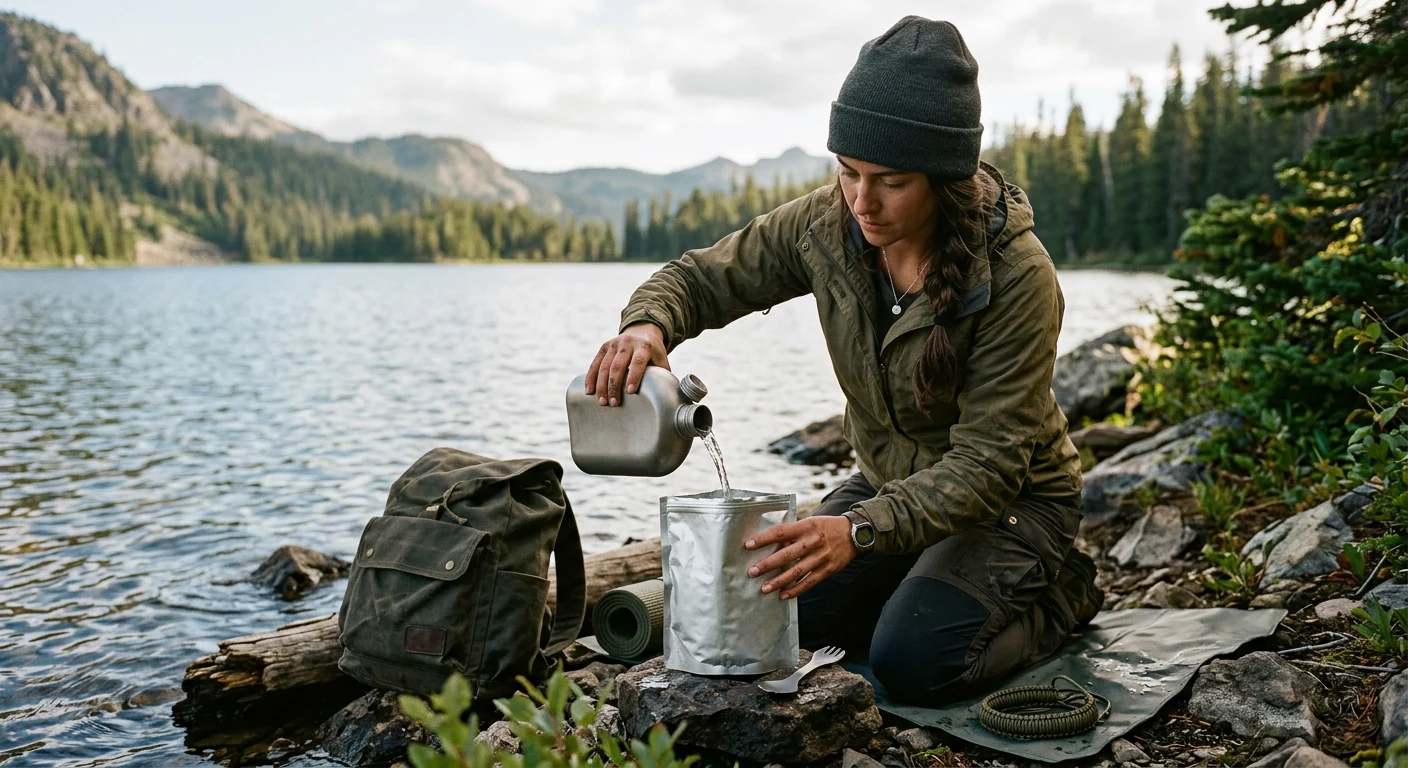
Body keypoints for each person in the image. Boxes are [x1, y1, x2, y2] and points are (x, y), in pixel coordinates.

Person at [582, 15, 1102, 706]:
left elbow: (988, 467)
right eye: (848, 172)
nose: (862, 200)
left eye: (890, 180)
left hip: (1013, 505)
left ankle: (1061, 593)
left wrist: (858, 531)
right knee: (780, 617)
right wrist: (648, 328)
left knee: (917, 665)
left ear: (944, 178)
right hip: (889, 485)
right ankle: (918, 572)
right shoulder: (827, 224)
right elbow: (702, 278)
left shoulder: (1018, 276)